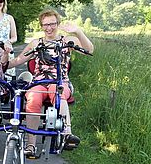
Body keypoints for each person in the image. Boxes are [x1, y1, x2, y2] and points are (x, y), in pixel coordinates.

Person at [7, 9, 94, 156]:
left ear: (58, 24)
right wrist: (1, 58)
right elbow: (17, 61)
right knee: (32, 99)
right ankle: (31, 145)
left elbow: (89, 49)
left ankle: (67, 133)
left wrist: (78, 32)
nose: (49, 28)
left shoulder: (66, 41)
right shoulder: (36, 43)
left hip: (60, 81)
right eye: (45, 24)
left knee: (57, 91)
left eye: (52, 24)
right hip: (39, 82)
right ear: (41, 26)